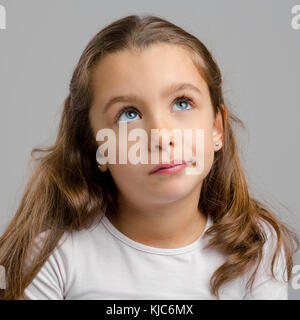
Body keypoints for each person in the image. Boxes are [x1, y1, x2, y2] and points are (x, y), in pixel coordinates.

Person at [0, 14, 298, 300]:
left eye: (182, 103)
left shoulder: (256, 244)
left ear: (216, 128)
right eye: (128, 114)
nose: (160, 135)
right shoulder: (52, 258)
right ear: (96, 146)